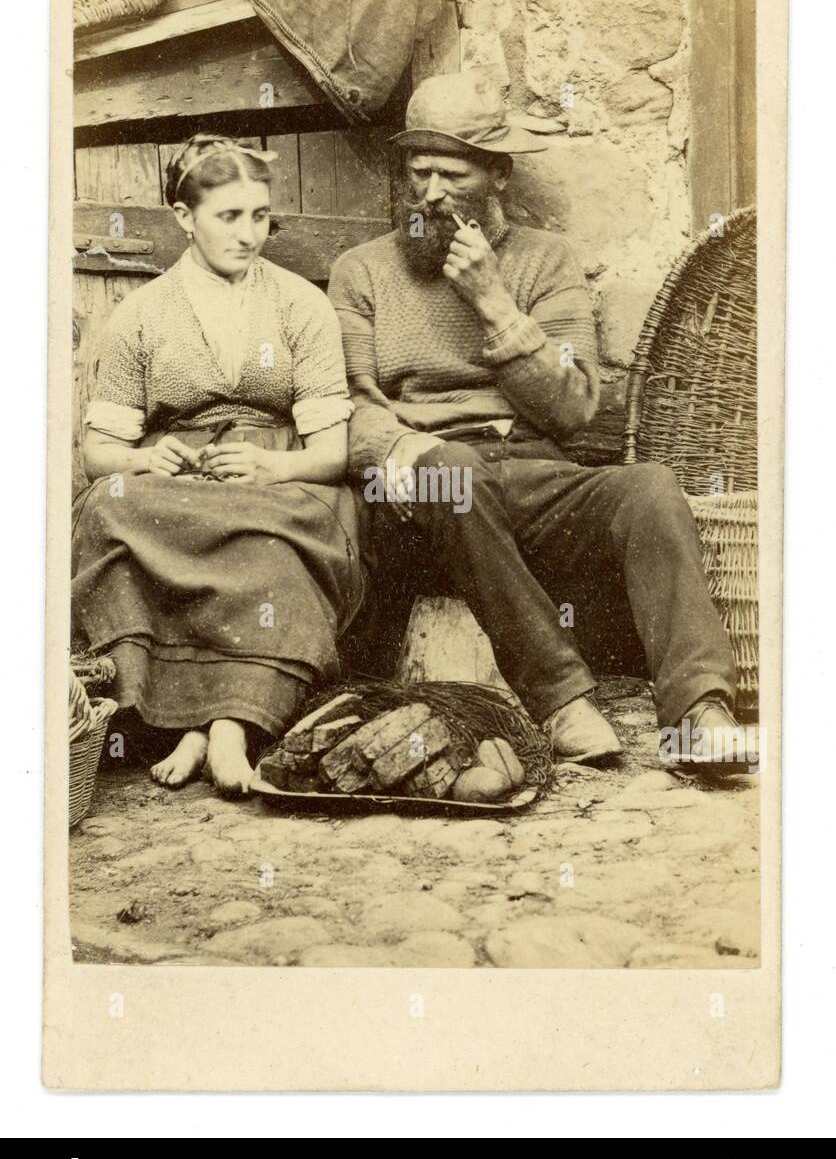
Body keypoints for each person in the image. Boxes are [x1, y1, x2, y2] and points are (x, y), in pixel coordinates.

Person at [329, 69, 751, 775]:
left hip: (531, 471)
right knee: (452, 473)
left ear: (498, 174)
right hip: (417, 494)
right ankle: (561, 702)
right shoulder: (361, 271)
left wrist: (494, 302)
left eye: (452, 174)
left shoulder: (547, 263)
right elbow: (348, 408)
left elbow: (572, 406)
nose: (430, 193)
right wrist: (416, 448)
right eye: (418, 171)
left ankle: (698, 712)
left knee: (647, 486)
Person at [72, 133, 363, 796]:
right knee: (113, 508)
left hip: (276, 479)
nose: (249, 234)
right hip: (182, 484)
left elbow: (333, 453)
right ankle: (189, 720)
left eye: (260, 216)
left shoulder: (301, 306)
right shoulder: (140, 315)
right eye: (229, 217)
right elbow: (98, 457)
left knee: (268, 546)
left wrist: (271, 467)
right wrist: (146, 457)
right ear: (184, 217)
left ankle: (230, 723)